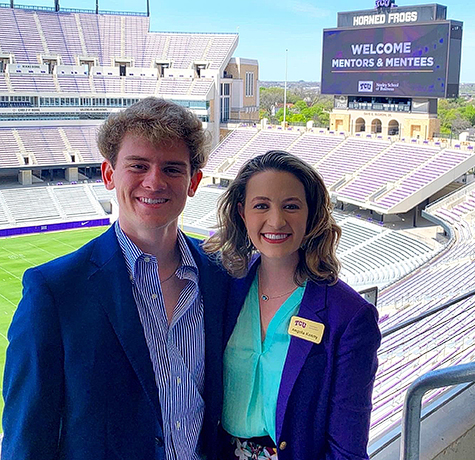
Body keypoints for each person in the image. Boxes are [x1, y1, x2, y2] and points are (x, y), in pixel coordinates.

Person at [1, 97, 231, 459]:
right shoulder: (55, 291)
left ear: (194, 181)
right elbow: (27, 437)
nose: (154, 182)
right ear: (109, 174)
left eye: (172, 169)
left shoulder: (221, 275)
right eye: (138, 166)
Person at [203, 150, 380, 460]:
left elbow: (347, 449)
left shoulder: (349, 317)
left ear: (311, 215)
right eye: (262, 206)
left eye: (291, 206)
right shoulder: (223, 289)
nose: (276, 220)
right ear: (243, 213)